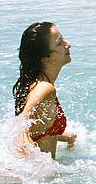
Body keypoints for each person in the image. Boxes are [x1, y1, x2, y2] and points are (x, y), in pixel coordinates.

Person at [12, 22, 76, 158]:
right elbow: (20, 128)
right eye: (59, 43)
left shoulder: (37, 83)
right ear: (46, 57)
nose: (67, 44)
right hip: (40, 177)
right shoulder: (45, 88)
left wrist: (64, 136)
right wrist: (37, 170)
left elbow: (37, 128)